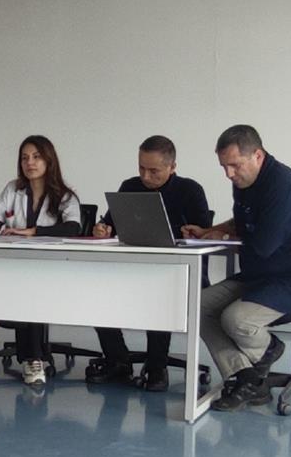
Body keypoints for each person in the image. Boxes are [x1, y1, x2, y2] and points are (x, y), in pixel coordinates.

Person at [181, 124, 291, 412]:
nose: (229, 174)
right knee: (197, 306)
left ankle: (268, 349)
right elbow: (241, 223)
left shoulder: (284, 187)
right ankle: (246, 378)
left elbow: (263, 245)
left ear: (257, 156)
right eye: (224, 167)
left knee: (236, 319)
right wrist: (208, 231)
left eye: (234, 165)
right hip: (262, 275)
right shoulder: (245, 182)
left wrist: (223, 238)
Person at [0, 135, 81, 386]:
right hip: (15, 265)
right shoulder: (13, 189)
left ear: (49, 161)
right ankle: (32, 360)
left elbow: (74, 228)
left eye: (36, 157)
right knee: (23, 283)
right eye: (24, 158)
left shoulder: (64, 196)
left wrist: (34, 231)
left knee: (27, 283)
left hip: (52, 268)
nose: (29, 162)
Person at [87, 135, 211, 390]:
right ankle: (117, 360)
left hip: (178, 272)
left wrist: (191, 233)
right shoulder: (129, 187)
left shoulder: (190, 190)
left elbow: (205, 235)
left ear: (172, 167)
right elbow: (111, 223)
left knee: (159, 294)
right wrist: (103, 229)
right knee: (96, 293)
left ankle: (157, 366)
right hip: (134, 269)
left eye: (154, 171)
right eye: (141, 168)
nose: (145, 176)